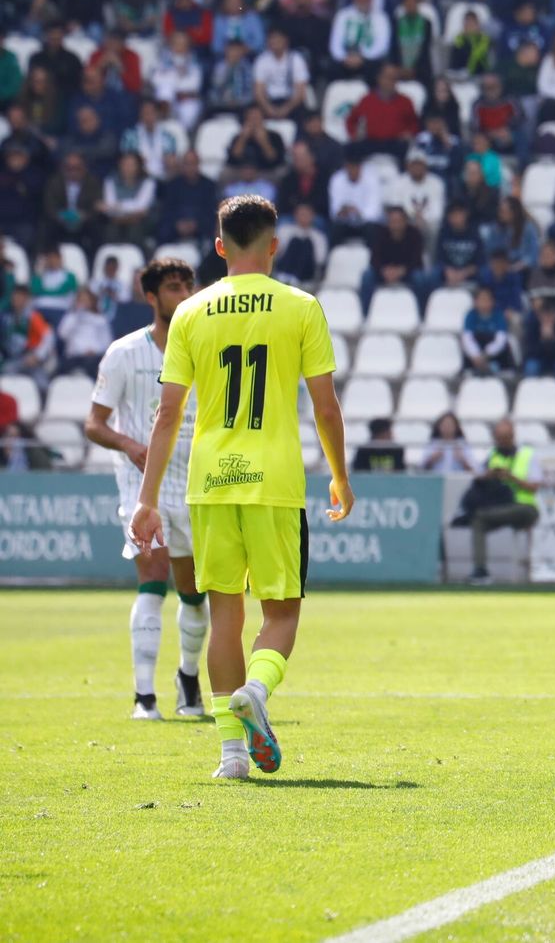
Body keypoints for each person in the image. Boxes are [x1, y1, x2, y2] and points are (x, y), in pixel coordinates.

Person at [132, 195, 354, 780]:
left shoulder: (190, 313)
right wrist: (339, 475)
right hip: (274, 482)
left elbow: (167, 415)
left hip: (208, 483)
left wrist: (147, 499)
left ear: (219, 245)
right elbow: (326, 408)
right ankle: (257, 689)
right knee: (280, 615)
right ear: (274, 244)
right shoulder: (301, 307)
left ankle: (231, 757)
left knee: (223, 615)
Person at [85, 258, 209, 722]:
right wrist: (130, 444)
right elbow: (94, 424)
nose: (183, 294)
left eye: (188, 286)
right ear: (151, 296)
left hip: (197, 482)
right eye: (174, 287)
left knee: (195, 590)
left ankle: (188, 678)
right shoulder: (122, 353)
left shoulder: (206, 348)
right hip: (141, 485)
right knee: (153, 577)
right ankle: (144, 697)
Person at [467, 419, 542, 585]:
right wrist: (489, 475)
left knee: (482, 516)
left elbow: (535, 486)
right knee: (478, 520)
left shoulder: (527, 454)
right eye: (499, 438)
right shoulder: (492, 455)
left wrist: (512, 478)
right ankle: (480, 570)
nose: (502, 442)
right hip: (499, 506)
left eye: (505, 437)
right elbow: (477, 476)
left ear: (513, 436)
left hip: (524, 508)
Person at [56, 289, 114, 377]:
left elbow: (107, 342)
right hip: (74, 357)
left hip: (94, 357)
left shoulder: (100, 319)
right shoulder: (71, 317)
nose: (83, 302)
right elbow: (62, 334)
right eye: (81, 300)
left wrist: (94, 351)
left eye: (86, 300)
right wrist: (76, 315)